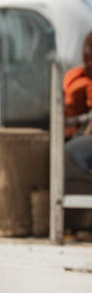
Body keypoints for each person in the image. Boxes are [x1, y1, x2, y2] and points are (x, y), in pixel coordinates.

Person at [64, 29, 92, 184]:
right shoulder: (76, 78)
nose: (87, 63)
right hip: (72, 134)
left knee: (71, 152)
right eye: (86, 58)